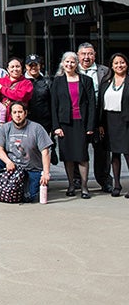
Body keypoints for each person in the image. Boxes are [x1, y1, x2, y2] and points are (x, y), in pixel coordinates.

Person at [0, 102, 52, 203]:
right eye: (14, 112)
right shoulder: (5, 128)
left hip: (31, 169)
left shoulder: (37, 128)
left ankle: (21, 189)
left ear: (25, 113)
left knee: (28, 198)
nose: (17, 115)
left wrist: (46, 173)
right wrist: (8, 162)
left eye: (20, 112)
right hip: (12, 167)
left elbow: (45, 152)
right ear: (11, 114)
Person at [51, 51, 96, 199]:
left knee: (82, 155)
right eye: (67, 62)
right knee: (68, 156)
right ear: (62, 64)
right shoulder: (57, 81)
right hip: (65, 124)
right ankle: (71, 185)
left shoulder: (86, 80)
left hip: (81, 123)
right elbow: (54, 105)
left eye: (72, 62)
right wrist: (56, 126)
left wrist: (90, 126)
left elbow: (91, 105)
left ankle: (84, 186)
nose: (69, 65)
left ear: (77, 64)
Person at [77, 42, 112, 193]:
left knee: (102, 152)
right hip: (78, 118)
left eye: (90, 54)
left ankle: (105, 181)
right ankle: (77, 180)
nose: (86, 57)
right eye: (83, 54)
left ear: (95, 55)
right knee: (78, 150)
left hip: (99, 117)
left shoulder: (104, 71)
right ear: (78, 56)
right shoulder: (71, 69)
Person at [98, 53, 129, 197]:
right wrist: (100, 124)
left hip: (126, 121)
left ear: (126, 64)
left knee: (128, 153)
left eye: (122, 62)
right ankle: (116, 184)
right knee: (114, 154)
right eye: (116, 63)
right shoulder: (106, 81)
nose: (119, 65)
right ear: (111, 65)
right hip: (110, 121)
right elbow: (100, 104)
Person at [25, 54, 55, 165]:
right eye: (30, 65)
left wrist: (54, 124)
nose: (33, 68)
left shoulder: (47, 82)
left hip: (44, 122)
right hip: (27, 121)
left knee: (42, 149)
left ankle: (42, 173)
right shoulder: (22, 81)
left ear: (40, 66)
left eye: (35, 65)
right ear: (26, 67)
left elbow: (52, 103)